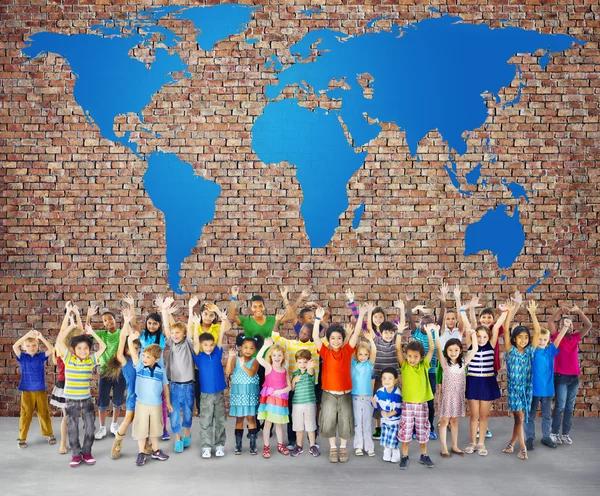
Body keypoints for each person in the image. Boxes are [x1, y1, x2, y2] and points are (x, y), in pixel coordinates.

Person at [55, 308, 107, 468]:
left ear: (89, 350)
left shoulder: (91, 360)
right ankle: (76, 455)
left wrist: (93, 333)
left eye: (86, 348)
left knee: (90, 427)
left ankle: (87, 452)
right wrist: (70, 327)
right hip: (70, 400)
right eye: (79, 348)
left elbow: (103, 347)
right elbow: (58, 343)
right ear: (74, 350)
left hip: (86, 399)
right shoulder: (68, 358)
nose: (83, 351)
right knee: (73, 428)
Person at [313, 305, 363, 463]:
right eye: (332, 338)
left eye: (339, 338)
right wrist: (317, 319)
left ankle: (343, 448)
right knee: (327, 421)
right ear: (328, 340)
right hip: (328, 394)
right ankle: (333, 448)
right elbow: (315, 337)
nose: (335, 341)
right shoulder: (325, 352)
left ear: (343, 339)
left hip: (345, 394)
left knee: (345, 422)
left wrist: (360, 315)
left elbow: (356, 333)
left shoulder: (347, 351)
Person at [405, 283, 449, 440]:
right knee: (416, 402)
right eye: (422, 323)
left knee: (429, 402)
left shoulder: (435, 333)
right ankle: (416, 429)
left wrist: (443, 301)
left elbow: (441, 318)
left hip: (429, 372)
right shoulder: (416, 334)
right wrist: (408, 304)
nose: (425, 325)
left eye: (428, 323)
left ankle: (429, 428)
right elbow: (410, 318)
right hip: (416, 373)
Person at [464, 304, 509, 456]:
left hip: (488, 382)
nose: (481, 339)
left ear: (489, 337)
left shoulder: (491, 345)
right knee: (474, 416)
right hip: (473, 381)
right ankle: (472, 442)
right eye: (479, 336)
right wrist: (464, 310)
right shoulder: (471, 345)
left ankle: (481, 443)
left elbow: (496, 327)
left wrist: (504, 312)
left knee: (484, 416)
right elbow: (468, 325)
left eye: (484, 336)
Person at [433, 307, 478, 458]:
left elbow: (475, 349)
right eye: (450, 350)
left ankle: (455, 445)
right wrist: (435, 332)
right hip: (447, 397)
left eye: (456, 350)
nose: (453, 353)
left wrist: (473, 335)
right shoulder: (445, 363)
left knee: (455, 422)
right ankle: (444, 447)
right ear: (447, 352)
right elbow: (438, 347)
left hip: (458, 397)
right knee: (444, 421)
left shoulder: (463, 363)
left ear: (460, 351)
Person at [88, 295, 135, 440]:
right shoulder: (102, 334)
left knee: (118, 399)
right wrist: (88, 316)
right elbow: (87, 332)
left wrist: (130, 308)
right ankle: (102, 427)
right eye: (104, 320)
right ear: (102, 323)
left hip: (120, 372)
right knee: (102, 400)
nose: (108, 322)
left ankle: (114, 424)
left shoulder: (122, 332)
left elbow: (131, 326)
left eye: (110, 319)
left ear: (115, 320)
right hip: (105, 372)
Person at [271, 315, 319, 450]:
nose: (304, 335)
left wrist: (320, 321)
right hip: (294, 385)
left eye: (307, 334)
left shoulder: (314, 345)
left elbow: (326, 340)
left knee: (311, 414)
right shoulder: (290, 343)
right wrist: (277, 321)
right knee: (293, 414)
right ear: (299, 331)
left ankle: (312, 441)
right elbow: (275, 336)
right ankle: (292, 441)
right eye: (303, 332)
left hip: (310, 385)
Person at [548, 304, 592, 445]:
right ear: (559, 327)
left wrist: (578, 311)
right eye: (564, 323)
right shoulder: (556, 336)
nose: (568, 325)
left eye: (570, 323)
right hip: (560, 377)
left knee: (569, 407)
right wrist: (560, 311)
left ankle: (565, 433)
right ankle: (554, 432)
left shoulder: (575, 337)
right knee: (560, 405)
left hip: (574, 378)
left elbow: (588, 325)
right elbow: (550, 322)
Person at [502, 300, 541, 460]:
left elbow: (538, 333)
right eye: (520, 337)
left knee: (520, 419)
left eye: (526, 337)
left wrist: (532, 313)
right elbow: (505, 329)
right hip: (514, 391)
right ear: (514, 339)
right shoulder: (510, 351)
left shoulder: (530, 351)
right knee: (519, 418)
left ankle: (511, 443)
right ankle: (522, 447)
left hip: (526, 389)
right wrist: (509, 313)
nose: (524, 340)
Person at [525, 317, 570, 450]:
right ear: (535, 339)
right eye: (540, 339)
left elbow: (558, 340)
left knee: (546, 416)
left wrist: (565, 327)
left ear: (548, 340)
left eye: (545, 339)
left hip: (547, 391)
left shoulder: (549, 351)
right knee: (530, 416)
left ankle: (546, 437)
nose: (542, 342)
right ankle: (529, 438)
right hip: (533, 391)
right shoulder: (531, 351)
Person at [396, 322, 436, 470]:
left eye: (415, 357)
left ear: (421, 357)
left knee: (422, 430)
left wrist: (429, 332)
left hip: (421, 405)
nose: (412, 359)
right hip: (407, 404)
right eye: (410, 356)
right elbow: (397, 349)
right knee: (405, 431)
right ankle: (404, 456)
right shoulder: (404, 365)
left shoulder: (424, 365)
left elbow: (432, 348)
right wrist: (399, 332)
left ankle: (424, 455)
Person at [192, 309, 230, 458]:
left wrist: (224, 320)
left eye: (210, 345)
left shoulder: (217, 353)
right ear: (202, 346)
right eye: (205, 345)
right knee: (206, 421)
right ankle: (206, 447)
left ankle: (220, 445)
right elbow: (195, 342)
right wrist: (196, 326)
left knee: (220, 420)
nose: (208, 347)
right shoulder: (198, 356)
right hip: (206, 395)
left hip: (219, 393)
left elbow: (220, 336)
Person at [129, 334, 171, 466]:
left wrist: (168, 403)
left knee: (155, 429)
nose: (144, 359)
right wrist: (130, 339)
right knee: (142, 428)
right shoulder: (140, 366)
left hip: (156, 405)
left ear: (157, 359)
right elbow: (133, 353)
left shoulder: (161, 372)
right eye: (144, 356)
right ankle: (141, 452)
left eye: (148, 357)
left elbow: (165, 387)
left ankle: (156, 450)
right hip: (141, 404)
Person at [106, 308, 142, 459]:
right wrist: (125, 323)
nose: (136, 350)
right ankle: (117, 442)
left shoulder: (142, 360)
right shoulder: (124, 361)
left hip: (146, 395)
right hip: (134, 394)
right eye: (132, 347)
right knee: (128, 419)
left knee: (144, 420)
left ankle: (145, 445)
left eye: (137, 348)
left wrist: (131, 324)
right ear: (127, 349)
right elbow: (122, 339)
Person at [162, 298, 196, 453]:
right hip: (174, 385)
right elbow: (167, 329)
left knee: (188, 412)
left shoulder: (188, 343)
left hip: (188, 385)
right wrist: (164, 310)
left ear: (184, 334)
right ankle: (177, 439)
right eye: (173, 333)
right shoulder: (172, 344)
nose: (175, 335)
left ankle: (187, 434)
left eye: (178, 333)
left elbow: (189, 327)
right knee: (174, 414)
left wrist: (190, 308)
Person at [50, 303, 85, 454]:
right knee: (67, 416)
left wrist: (76, 313)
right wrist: (68, 314)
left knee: (74, 416)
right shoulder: (61, 349)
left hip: (76, 385)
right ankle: (63, 443)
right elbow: (60, 335)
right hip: (65, 385)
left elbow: (82, 332)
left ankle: (73, 441)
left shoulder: (78, 350)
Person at [256, 313, 292, 458]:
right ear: (271, 357)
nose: (277, 358)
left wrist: (282, 390)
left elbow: (289, 386)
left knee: (279, 424)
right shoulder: (269, 367)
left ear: (283, 357)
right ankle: (266, 446)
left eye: (279, 355)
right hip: (270, 399)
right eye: (274, 355)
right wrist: (265, 347)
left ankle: (280, 444)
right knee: (268, 423)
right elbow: (259, 358)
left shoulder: (284, 369)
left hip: (281, 398)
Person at [13, 328, 55, 449]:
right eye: (28, 345)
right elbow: (15, 346)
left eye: (34, 345)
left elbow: (51, 350)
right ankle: (22, 437)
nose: (31, 348)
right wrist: (27, 335)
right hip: (27, 391)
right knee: (26, 415)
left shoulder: (41, 356)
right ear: (24, 347)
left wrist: (41, 337)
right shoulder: (23, 357)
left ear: (37, 346)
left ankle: (48, 434)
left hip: (40, 390)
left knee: (44, 413)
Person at [225, 333, 262, 455]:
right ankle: (238, 445)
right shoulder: (236, 359)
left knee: (251, 418)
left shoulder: (255, 361)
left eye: (251, 348)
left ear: (255, 349)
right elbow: (228, 371)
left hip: (250, 394)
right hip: (239, 393)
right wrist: (231, 357)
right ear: (241, 347)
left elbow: (251, 373)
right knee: (239, 418)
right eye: (245, 347)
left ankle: (253, 445)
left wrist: (242, 365)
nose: (248, 350)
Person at [189, 296, 222, 414]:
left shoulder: (217, 327)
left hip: (212, 366)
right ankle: (202, 412)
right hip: (199, 366)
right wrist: (190, 309)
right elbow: (189, 335)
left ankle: (213, 413)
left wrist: (217, 310)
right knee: (199, 390)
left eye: (211, 315)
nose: (208, 317)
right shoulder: (195, 326)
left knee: (212, 390)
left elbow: (226, 326)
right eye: (206, 314)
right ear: (201, 314)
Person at [351, 329, 377, 457]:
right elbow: (349, 349)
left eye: (365, 354)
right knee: (358, 423)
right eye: (360, 354)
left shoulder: (369, 364)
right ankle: (358, 446)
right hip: (356, 397)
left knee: (367, 423)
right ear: (356, 355)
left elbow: (374, 353)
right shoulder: (353, 364)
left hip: (367, 398)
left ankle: (369, 446)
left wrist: (371, 340)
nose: (362, 357)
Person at [290, 350, 320, 457]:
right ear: (297, 363)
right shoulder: (295, 374)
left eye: (305, 362)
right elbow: (292, 389)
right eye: (300, 362)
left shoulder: (310, 372)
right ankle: (299, 446)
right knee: (299, 427)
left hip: (309, 403)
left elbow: (311, 371)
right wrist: (294, 381)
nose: (302, 365)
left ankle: (312, 446)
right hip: (297, 404)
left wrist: (310, 366)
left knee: (311, 426)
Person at [372, 367, 402, 463]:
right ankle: (387, 451)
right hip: (384, 420)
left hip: (395, 422)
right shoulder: (380, 391)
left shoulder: (397, 393)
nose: (386, 381)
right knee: (385, 437)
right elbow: (375, 402)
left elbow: (398, 409)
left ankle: (395, 451)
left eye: (390, 378)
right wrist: (378, 408)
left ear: (395, 380)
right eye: (384, 378)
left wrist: (388, 414)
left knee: (393, 437)